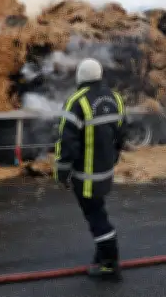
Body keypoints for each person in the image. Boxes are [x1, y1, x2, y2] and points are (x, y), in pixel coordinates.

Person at [54, 58, 127, 281]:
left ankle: (109, 262)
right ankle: (102, 253)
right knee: (98, 209)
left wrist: (62, 173)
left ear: (80, 76)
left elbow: (67, 144)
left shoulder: (76, 102)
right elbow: (121, 134)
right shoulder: (115, 98)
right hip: (105, 171)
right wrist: (113, 157)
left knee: (96, 216)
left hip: (85, 176)